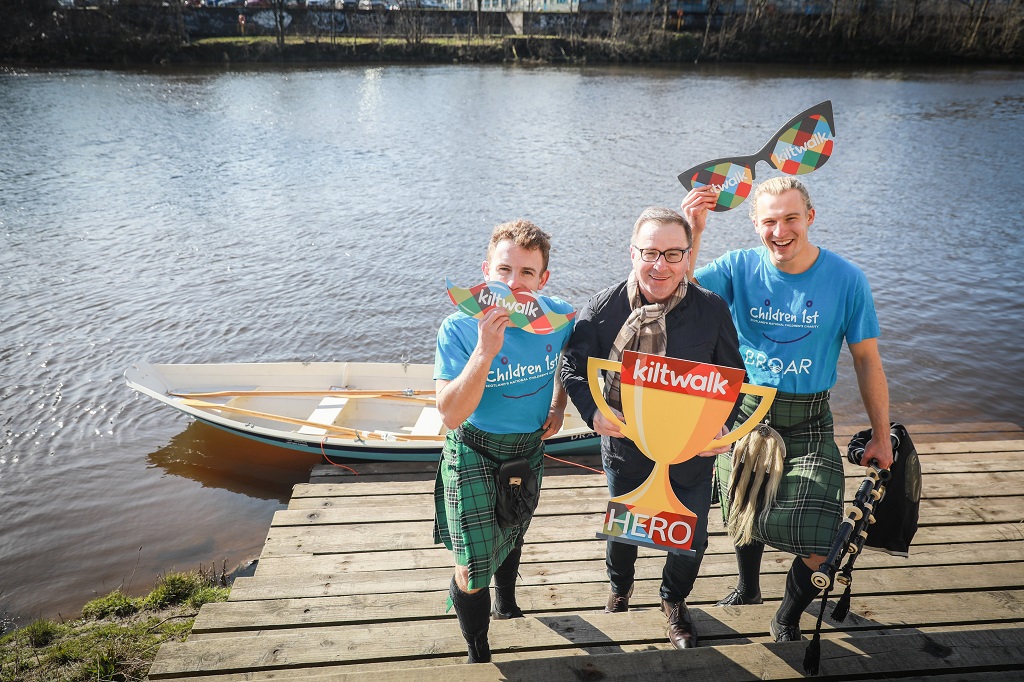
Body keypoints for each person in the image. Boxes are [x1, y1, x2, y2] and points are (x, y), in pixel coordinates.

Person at [681, 176, 893, 642]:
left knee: (822, 541)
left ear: (810, 218)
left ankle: (787, 615)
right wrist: (695, 229)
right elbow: (682, 294)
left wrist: (881, 434)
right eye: (770, 221)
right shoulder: (738, 268)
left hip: (810, 418)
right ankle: (747, 587)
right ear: (755, 223)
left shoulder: (847, 279)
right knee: (742, 505)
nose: (781, 231)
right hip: (745, 412)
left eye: (791, 218)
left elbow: (866, 359)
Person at [560, 207, 743, 650]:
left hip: (689, 450)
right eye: (650, 252)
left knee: (690, 536)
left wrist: (721, 426)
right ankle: (619, 590)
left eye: (673, 253)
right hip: (626, 444)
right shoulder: (602, 309)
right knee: (626, 528)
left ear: (687, 256)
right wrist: (592, 413)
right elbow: (572, 366)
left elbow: (735, 376)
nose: (660, 265)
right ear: (633, 252)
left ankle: (673, 603)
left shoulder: (711, 309)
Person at [433, 219, 575, 664]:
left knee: (513, 528)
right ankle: (478, 650)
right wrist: (484, 351)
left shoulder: (557, 319)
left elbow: (575, 362)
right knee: (474, 565)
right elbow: (451, 413)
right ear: (486, 271)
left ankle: (507, 603)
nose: (514, 285)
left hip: (528, 449)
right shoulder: (458, 328)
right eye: (504, 271)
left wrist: (558, 405)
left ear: (543, 279)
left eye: (527, 274)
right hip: (473, 447)